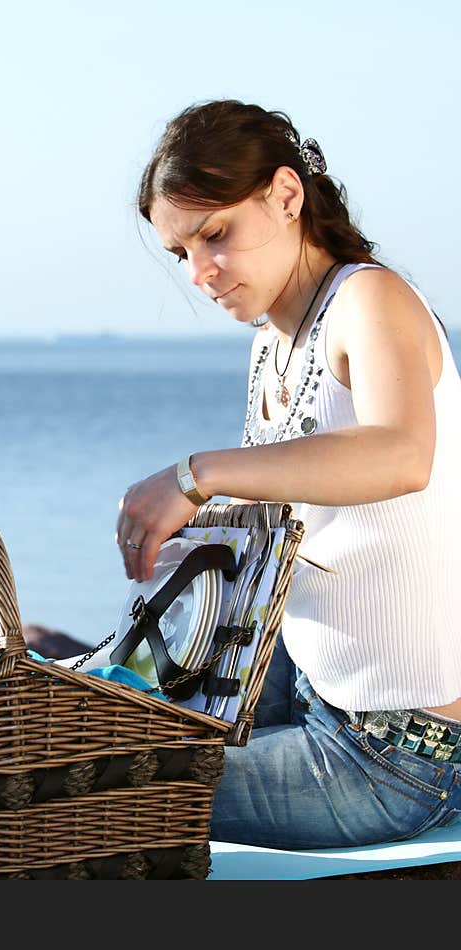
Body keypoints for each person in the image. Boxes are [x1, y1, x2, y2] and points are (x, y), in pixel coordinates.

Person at [116, 100, 461, 849]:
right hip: (308, 687)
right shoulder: (274, 340)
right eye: (180, 252)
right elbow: (288, 506)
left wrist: (194, 475)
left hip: (399, 754)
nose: (200, 273)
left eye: (215, 235)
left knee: (120, 796)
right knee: (88, 732)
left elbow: (402, 452)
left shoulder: (370, 299)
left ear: (286, 195)